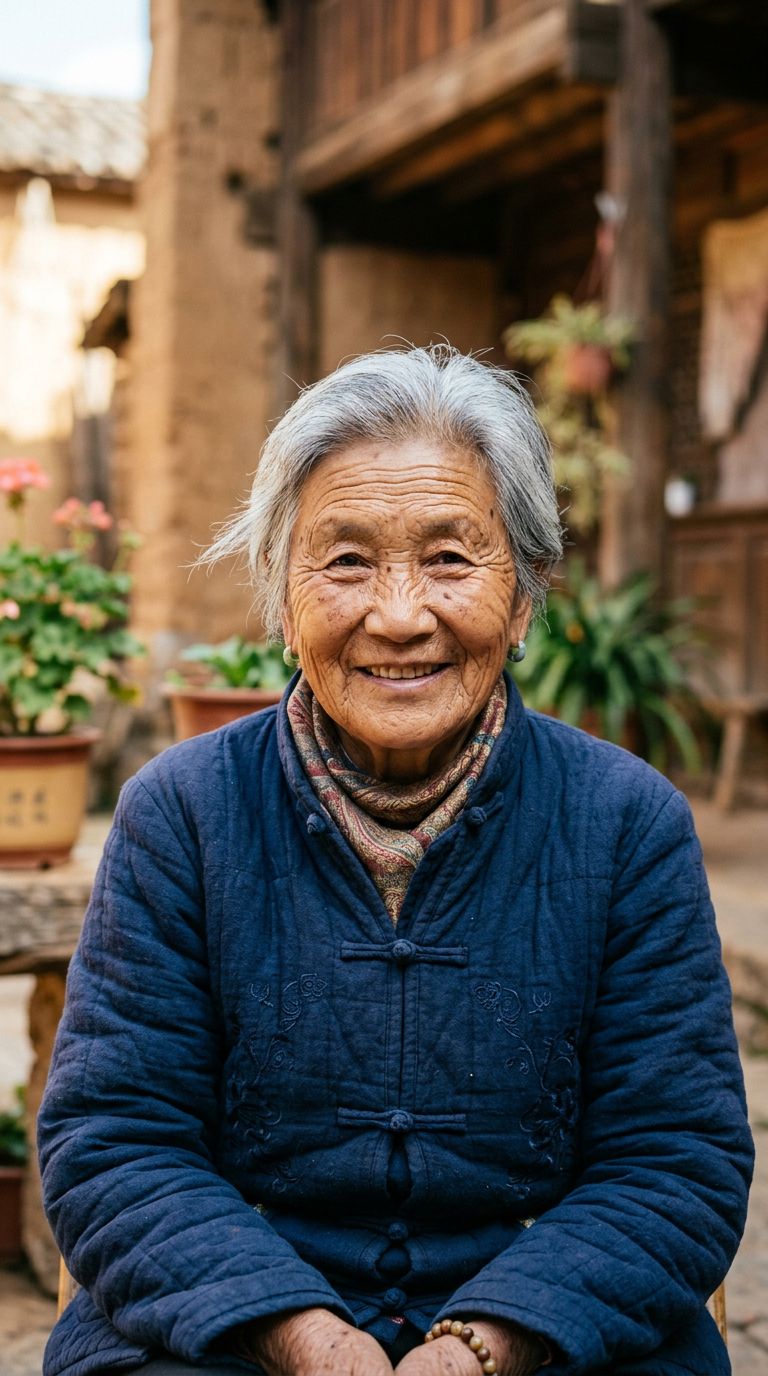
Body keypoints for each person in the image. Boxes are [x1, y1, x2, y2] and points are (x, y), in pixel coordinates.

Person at [39, 345, 753, 1376]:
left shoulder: (627, 822)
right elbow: (114, 1141)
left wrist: (482, 1342)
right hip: (232, 1328)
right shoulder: (182, 814)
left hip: (549, 1332)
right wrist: (305, 1334)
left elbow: (677, 1161)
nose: (401, 611)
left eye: (452, 558)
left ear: (523, 598)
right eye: (347, 560)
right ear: (283, 599)